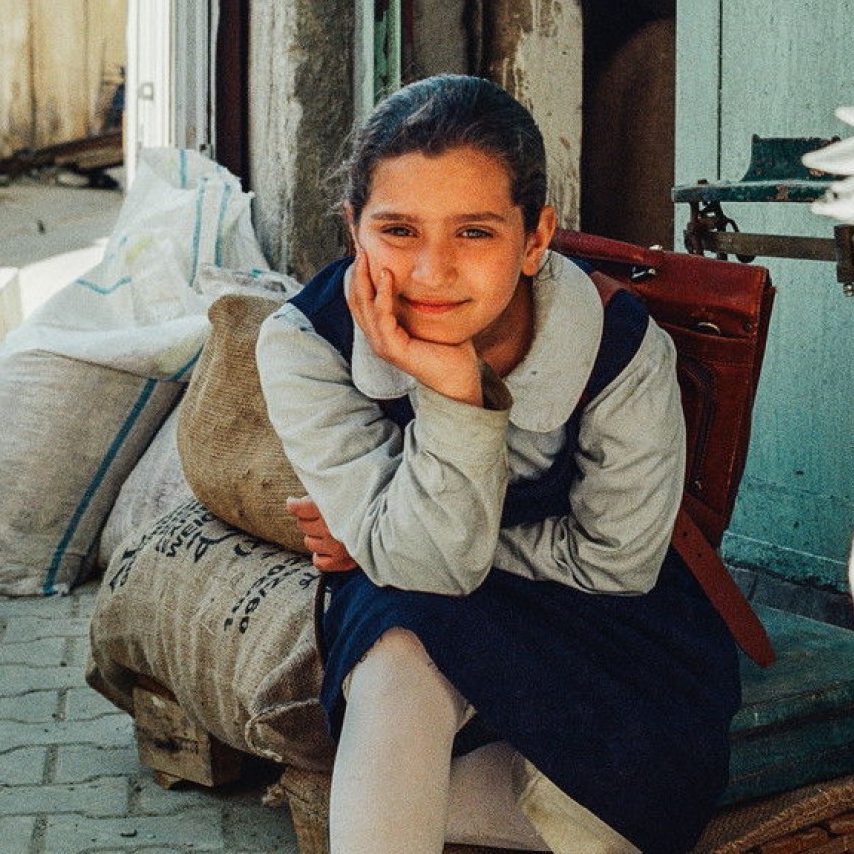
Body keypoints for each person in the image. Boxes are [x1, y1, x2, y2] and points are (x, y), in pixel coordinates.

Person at [255, 74, 742, 853]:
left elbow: (614, 562)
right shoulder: (307, 344)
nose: (431, 271)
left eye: (474, 232)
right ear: (354, 230)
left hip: (606, 622)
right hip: (416, 606)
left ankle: (404, 808)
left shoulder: (620, 348)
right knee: (399, 633)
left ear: (536, 237)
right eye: (399, 231)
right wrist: (452, 390)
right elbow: (426, 567)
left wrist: (386, 536)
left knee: (647, 784)